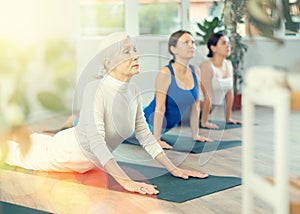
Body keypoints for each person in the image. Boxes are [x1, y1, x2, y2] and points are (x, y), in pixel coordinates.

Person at [2, 32, 208, 196]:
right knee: (13, 153)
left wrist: (174, 169)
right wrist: (126, 181)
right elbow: (96, 142)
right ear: (109, 63)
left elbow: (145, 136)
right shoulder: (96, 89)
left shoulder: (133, 91)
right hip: (67, 154)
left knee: (35, 140)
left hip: (80, 155)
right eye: (126, 51)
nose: (135, 55)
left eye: (134, 50)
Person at [143, 30, 213, 149]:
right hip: (145, 124)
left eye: (193, 42)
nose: (191, 45)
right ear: (173, 49)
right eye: (186, 42)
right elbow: (159, 107)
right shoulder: (166, 73)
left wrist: (195, 135)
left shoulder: (195, 71)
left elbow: (196, 106)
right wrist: (157, 139)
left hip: (165, 128)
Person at [199, 32, 242, 129]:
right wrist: (204, 122)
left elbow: (229, 92)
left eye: (228, 43)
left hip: (204, 111)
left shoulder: (229, 64)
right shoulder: (206, 66)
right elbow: (207, 95)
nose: (228, 46)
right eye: (223, 43)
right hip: (188, 112)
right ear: (213, 48)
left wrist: (228, 118)